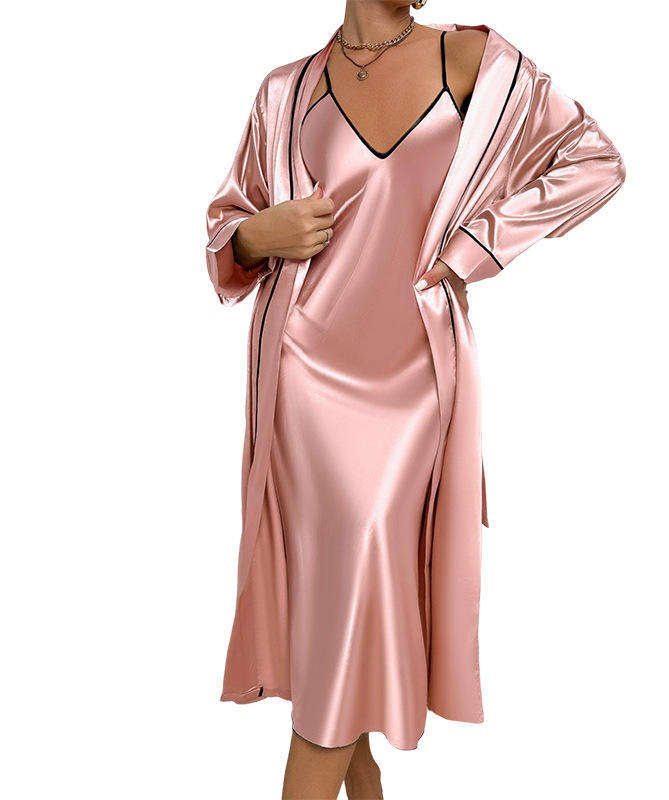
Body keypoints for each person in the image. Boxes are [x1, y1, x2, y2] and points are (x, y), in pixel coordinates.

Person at [205, 2, 625, 797]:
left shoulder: (471, 63)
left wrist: (477, 245)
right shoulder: (285, 90)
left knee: (354, 592)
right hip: (303, 376)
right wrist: (262, 234)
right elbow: (230, 226)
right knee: (341, 616)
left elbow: (594, 160)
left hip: (413, 384)